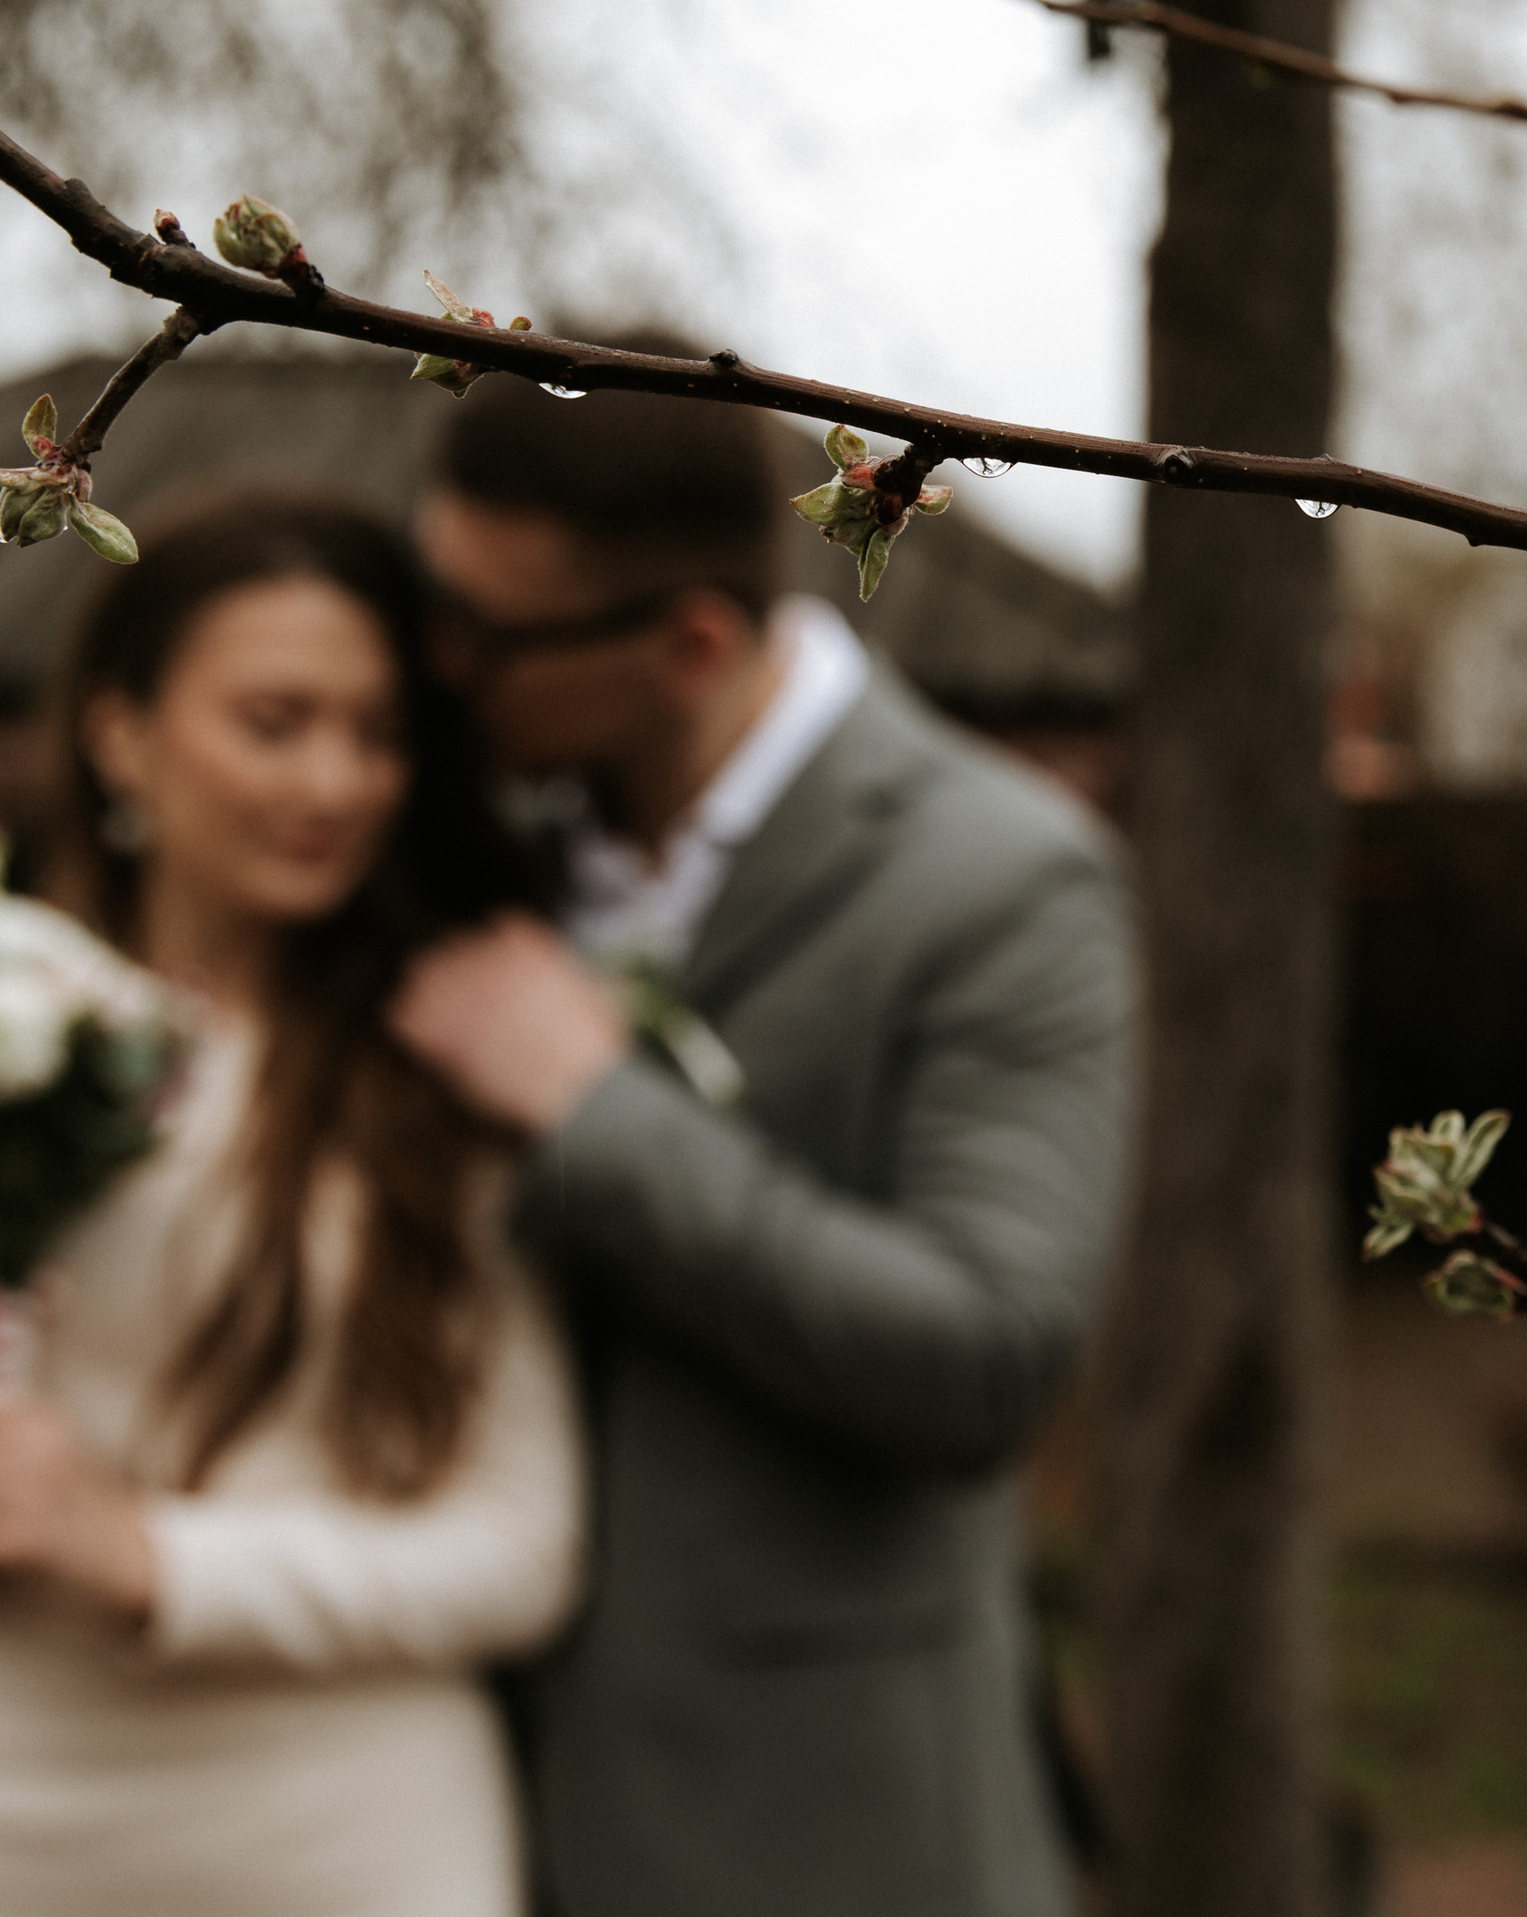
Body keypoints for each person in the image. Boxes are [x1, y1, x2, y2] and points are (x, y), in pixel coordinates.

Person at [388, 364, 1133, 1917]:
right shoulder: (478, 840)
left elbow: (985, 1354)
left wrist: (598, 1116)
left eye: (483, 633)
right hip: (446, 1790)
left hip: (825, 1829)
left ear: (691, 643)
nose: (431, 666)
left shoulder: (1006, 884)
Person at [0, 492, 584, 1917]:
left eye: (377, 734)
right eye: (275, 721)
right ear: (120, 730)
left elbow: (523, 1547)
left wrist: (154, 1563)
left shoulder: (447, 1076)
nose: (335, 783)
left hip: (354, 1834)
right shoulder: (25, 1009)